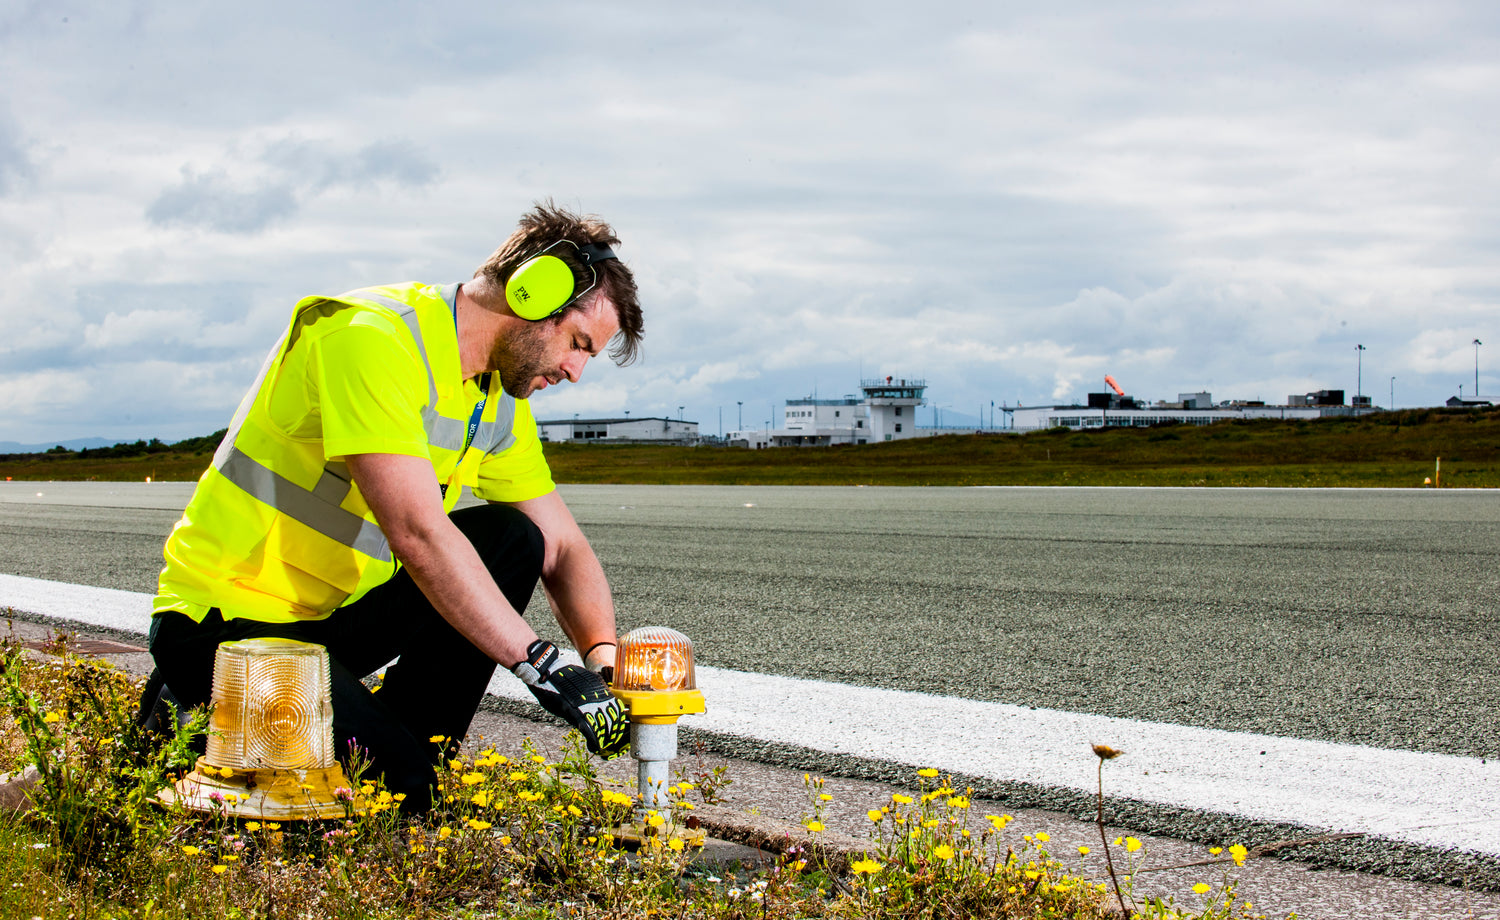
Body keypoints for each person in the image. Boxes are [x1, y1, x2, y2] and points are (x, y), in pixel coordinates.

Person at [141, 202, 643, 812]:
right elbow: (418, 535)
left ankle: (411, 751)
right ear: (533, 292)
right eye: (578, 344)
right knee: (400, 799)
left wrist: (602, 663)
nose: (575, 371)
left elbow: (560, 547)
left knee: (514, 538)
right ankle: (187, 708)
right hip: (228, 625)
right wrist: (544, 666)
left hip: (332, 626)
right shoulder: (370, 337)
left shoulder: (496, 399)